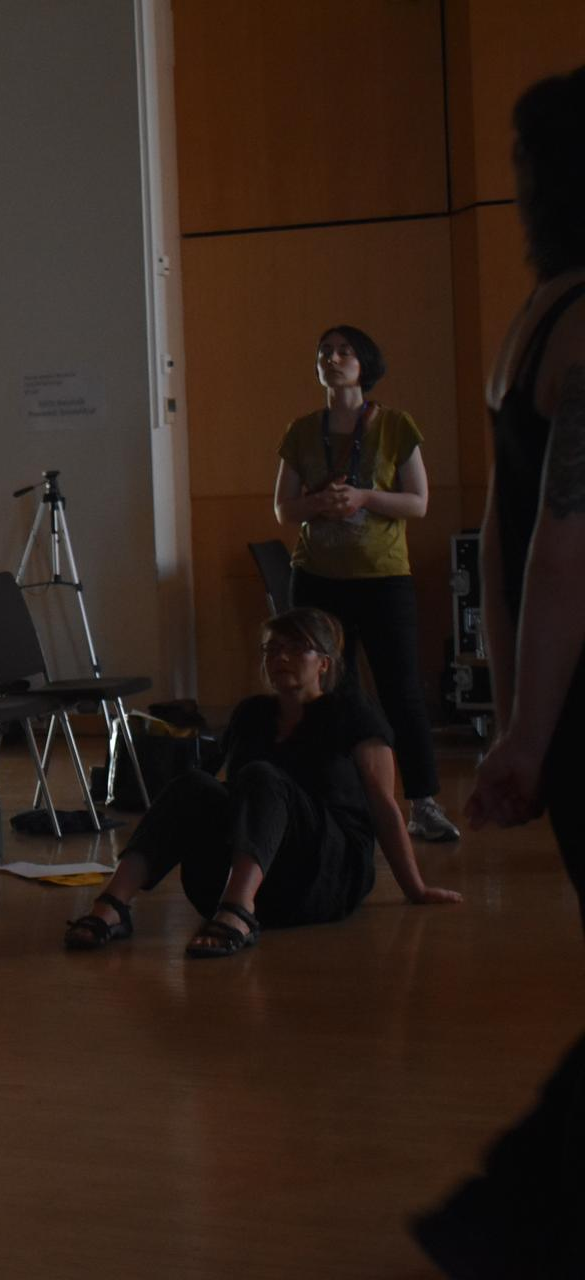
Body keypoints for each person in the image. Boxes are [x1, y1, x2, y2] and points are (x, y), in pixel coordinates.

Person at [411, 63, 585, 1279]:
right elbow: (561, 539)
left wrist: (512, 705)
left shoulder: (538, 317)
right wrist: (520, 728)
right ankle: (504, 1221)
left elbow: (498, 538)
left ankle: (512, 1220)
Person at [62, 608, 459, 958]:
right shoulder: (252, 714)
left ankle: (238, 911)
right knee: (194, 785)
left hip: (325, 874)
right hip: (248, 874)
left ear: (323, 662)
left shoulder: (352, 713)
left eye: (294, 648)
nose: (279, 657)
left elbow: (383, 805)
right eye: (271, 649)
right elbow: (205, 789)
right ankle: (113, 905)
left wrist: (416, 888)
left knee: (262, 775)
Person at [273, 325, 462, 843]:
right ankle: (335, 797)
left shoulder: (396, 426)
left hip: (383, 580)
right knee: (330, 693)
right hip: (316, 580)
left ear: (365, 365)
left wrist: (362, 498)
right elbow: (283, 508)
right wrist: (320, 504)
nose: (332, 359)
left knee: (401, 690)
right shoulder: (301, 430)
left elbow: (417, 502)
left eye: (344, 351)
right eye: (324, 352)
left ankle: (423, 803)